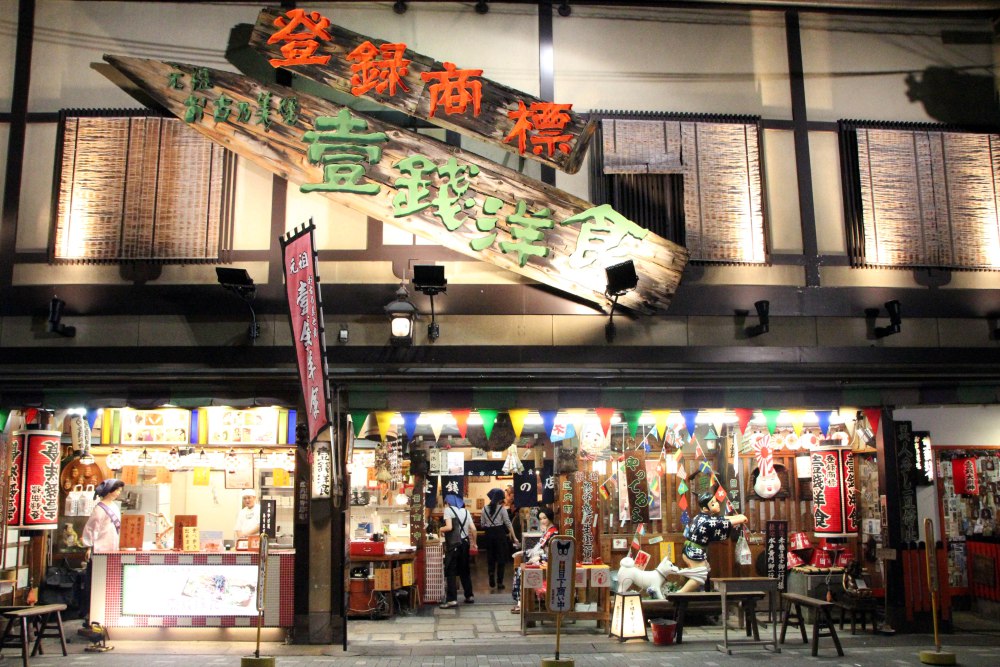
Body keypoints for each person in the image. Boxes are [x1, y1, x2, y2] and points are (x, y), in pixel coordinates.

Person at [678, 490, 748, 592]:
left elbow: (720, 519)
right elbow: (721, 523)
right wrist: (740, 519)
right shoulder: (707, 521)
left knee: (704, 569)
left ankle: (693, 586)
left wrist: (737, 517)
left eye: (715, 501)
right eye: (713, 503)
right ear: (706, 508)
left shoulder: (700, 517)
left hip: (689, 550)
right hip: (694, 552)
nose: (717, 504)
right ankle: (678, 595)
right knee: (699, 577)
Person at [80, 478, 125, 625]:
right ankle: (92, 614)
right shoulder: (99, 508)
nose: (119, 492)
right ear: (109, 491)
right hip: (100, 548)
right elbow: (92, 529)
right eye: (117, 490)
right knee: (96, 583)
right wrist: (89, 546)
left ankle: (105, 613)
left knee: (109, 583)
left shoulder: (115, 507)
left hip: (112, 547)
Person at [510, 506, 558, 614]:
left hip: (547, 562)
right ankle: (520, 601)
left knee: (521, 571)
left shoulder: (554, 533)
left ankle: (522, 602)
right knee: (519, 570)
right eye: (540, 519)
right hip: (540, 560)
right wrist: (523, 553)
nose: (543, 521)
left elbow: (552, 553)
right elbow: (537, 549)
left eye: (545, 518)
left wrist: (540, 558)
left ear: (550, 518)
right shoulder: (547, 532)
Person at [439, 492, 476, 608]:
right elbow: (473, 529)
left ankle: (452, 600)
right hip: (465, 544)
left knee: (451, 570)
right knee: (464, 570)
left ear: (447, 503)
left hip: (454, 545)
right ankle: (469, 596)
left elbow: (449, 527)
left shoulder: (448, 510)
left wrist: (440, 528)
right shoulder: (466, 511)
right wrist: (474, 543)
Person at [481, 488, 518, 591]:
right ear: (499, 499)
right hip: (500, 534)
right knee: (501, 558)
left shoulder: (484, 509)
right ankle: (500, 582)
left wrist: (489, 524)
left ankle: (491, 574)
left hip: (488, 534)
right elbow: (508, 523)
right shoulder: (502, 509)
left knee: (490, 557)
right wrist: (514, 537)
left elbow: (482, 524)